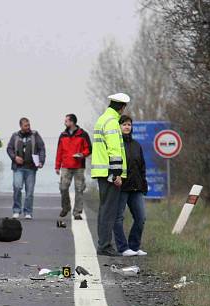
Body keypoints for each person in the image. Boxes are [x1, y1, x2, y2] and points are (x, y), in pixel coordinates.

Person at [91, 93, 129, 256]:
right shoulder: (112, 123)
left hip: (101, 171)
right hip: (109, 172)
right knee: (109, 210)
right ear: (122, 107)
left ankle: (103, 243)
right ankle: (105, 245)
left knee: (104, 209)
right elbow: (114, 150)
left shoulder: (102, 119)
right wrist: (116, 174)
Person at [114, 115, 148, 256]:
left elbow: (142, 166)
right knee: (118, 218)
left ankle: (134, 247)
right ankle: (123, 248)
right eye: (124, 124)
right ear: (119, 127)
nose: (127, 127)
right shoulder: (115, 144)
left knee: (141, 218)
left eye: (129, 124)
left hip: (136, 187)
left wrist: (143, 184)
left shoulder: (136, 145)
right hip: (121, 187)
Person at [54, 113, 91, 220]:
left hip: (79, 166)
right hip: (65, 166)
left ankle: (77, 212)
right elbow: (59, 151)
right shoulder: (63, 135)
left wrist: (82, 154)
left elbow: (89, 149)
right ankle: (66, 207)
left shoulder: (83, 134)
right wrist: (57, 166)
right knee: (63, 187)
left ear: (72, 122)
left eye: (66, 121)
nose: (64, 123)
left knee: (79, 189)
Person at [6, 118, 45, 219]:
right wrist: (14, 158)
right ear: (21, 126)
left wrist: (41, 161)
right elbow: (9, 148)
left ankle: (28, 212)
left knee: (29, 192)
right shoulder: (15, 136)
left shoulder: (35, 135)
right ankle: (16, 210)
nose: (28, 127)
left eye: (29, 125)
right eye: (26, 126)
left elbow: (41, 148)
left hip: (31, 168)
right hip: (18, 168)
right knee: (17, 187)